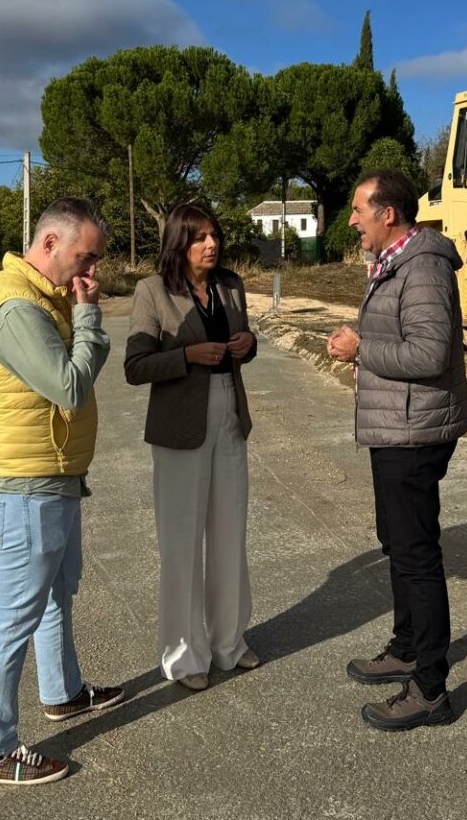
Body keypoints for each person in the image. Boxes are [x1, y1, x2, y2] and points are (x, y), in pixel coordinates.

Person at [0, 198, 125, 786]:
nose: (92, 273)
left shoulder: (42, 300)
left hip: (49, 479)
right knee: (11, 617)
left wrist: (81, 314)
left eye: (97, 260)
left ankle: (62, 693)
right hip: (20, 488)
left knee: (57, 594)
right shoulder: (15, 309)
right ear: (50, 244)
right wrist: (89, 320)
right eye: (85, 257)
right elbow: (69, 386)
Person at [327, 170, 467, 731]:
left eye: (360, 209)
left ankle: (431, 689)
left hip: (414, 432)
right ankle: (408, 646)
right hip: (396, 428)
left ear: (389, 214)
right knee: (397, 541)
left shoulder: (426, 267)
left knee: (416, 556)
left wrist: (363, 349)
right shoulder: (397, 263)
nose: (353, 219)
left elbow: (431, 355)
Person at [125, 202, 260, 692]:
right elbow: (135, 367)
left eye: (215, 235)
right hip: (180, 425)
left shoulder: (230, 284)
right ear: (178, 243)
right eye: (200, 237)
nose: (211, 244)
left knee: (229, 533)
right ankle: (185, 657)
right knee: (181, 543)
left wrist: (247, 344)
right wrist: (186, 355)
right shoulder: (152, 291)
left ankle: (229, 643)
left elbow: (246, 340)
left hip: (230, 416)